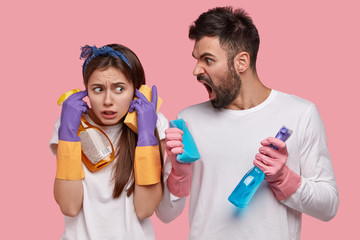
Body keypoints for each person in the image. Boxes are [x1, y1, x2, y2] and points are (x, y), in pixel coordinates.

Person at [156, 6, 339, 240]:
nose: (196, 70)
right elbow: (165, 214)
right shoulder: (187, 120)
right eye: (197, 60)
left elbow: (328, 207)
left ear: (241, 61)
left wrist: (284, 178)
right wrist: (179, 175)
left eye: (208, 60)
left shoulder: (300, 113)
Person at [49, 44, 168, 239]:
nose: (107, 101)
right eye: (97, 89)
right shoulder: (72, 123)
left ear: (137, 91)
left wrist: (146, 136)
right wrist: (68, 134)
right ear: (86, 91)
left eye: (119, 89)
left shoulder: (155, 123)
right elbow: (69, 206)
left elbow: (145, 209)